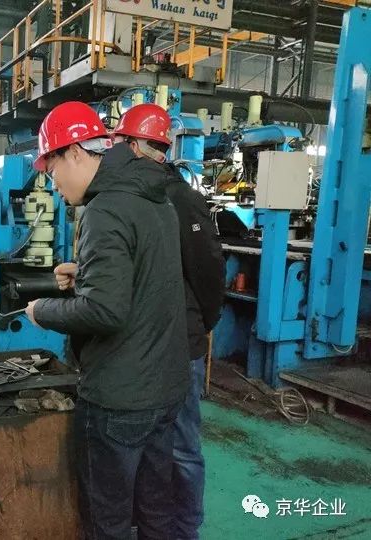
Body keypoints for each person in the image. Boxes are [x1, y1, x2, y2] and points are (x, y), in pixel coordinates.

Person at [25, 101, 190, 539]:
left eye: (52, 170)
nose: (54, 184)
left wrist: (42, 312)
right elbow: (147, 278)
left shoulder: (104, 210)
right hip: (166, 388)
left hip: (120, 398)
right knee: (156, 510)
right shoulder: (155, 197)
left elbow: (105, 311)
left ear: (75, 152)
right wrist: (88, 273)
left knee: (108, 521)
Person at [114, 103, 225, 540]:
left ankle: (185, 529)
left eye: (122, 144)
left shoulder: (181, 200)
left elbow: (208, 272)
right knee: (151, 447)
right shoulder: (130, 199)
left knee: (180, 447)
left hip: (180, 344)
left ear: (137, 146)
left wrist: (200, 325)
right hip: (144, 346)